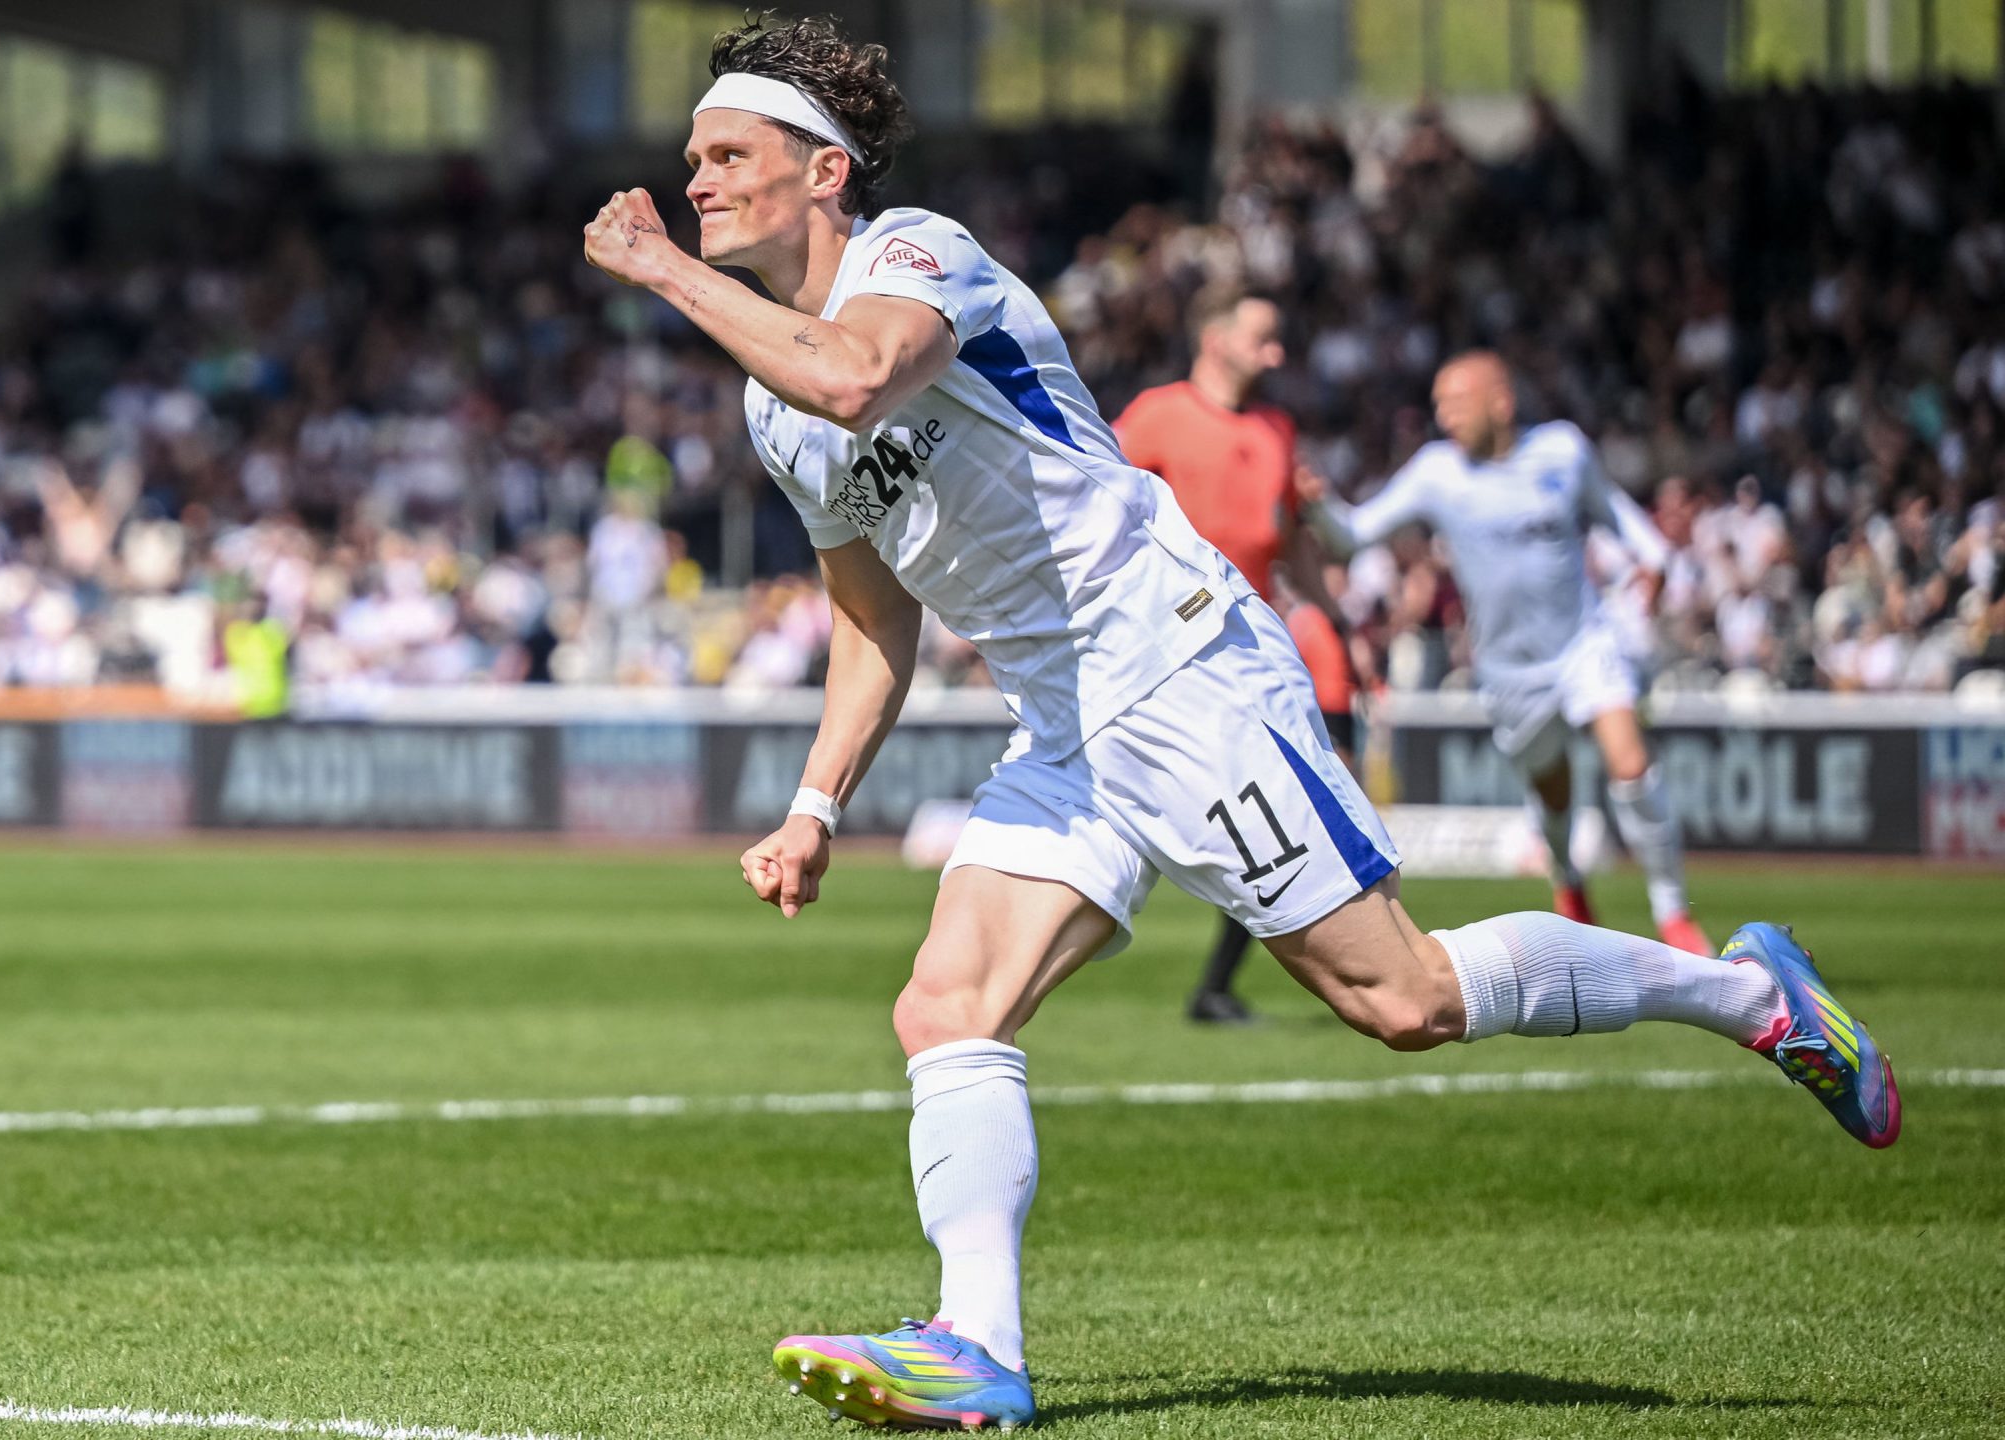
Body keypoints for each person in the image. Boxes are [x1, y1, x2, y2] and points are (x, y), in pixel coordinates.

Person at [580, 17, 1899, 1432]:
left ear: (825, 168)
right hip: (1067, 721)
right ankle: (977, 1348)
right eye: (691, 161)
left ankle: (1758, 1000)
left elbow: (856, 373)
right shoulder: (771, 411)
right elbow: (870, 621)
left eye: (729, 154)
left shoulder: (917, 254)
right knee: (946, 1006)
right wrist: (815, 805)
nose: (697, 180)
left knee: (1403, 1000)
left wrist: (656, 266)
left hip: (1181, 671)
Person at [1297, 353, 1712, 955]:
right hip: (1510, 672)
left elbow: (1614, 511)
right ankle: (1568, 881)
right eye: (1439, 405)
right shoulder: (1437, 472)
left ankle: (1673, 914)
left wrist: (1654, 560)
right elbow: (1356, 534)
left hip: (1582, 644)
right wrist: (1318, 506)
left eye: (1456, 403)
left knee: (1629, 763)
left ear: (1501, 402)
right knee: (1554, 791)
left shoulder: (1563, 452)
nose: (1444, 417)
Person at [1110, 287, 1353, 1024]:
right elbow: (1094, 503)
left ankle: (1218, 984)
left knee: (1285, 808)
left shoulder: (1278, 428)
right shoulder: (1156, 415)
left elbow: (1293, 544)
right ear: (1215, 340)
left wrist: (1336, 625)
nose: (1275, 353)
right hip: (1167, 648)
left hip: (1254, 643)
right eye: (1263, 337)